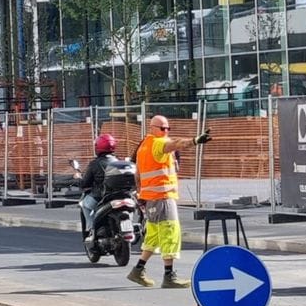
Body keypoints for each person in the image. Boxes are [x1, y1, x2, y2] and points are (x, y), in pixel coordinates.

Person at [128, 115, 211, 289]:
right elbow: (176, 144)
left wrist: (141, 194)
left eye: (168, 129)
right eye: (163, 128)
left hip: (151, 199)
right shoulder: (158, 143)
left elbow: (137, 174)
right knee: (170, 233)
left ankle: (138, 270)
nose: (166, 132)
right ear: (153, 128)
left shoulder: (144, 145)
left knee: (154, 236)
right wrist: (195, 140)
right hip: (163, 197)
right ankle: (169, 276)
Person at [80, 134, 117, 239]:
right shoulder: (118, 162)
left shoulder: (95, 164)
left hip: (101, 196)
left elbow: (85, 183)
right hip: (118, 195)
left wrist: (78, 179)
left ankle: (91, 230)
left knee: (84, 204)